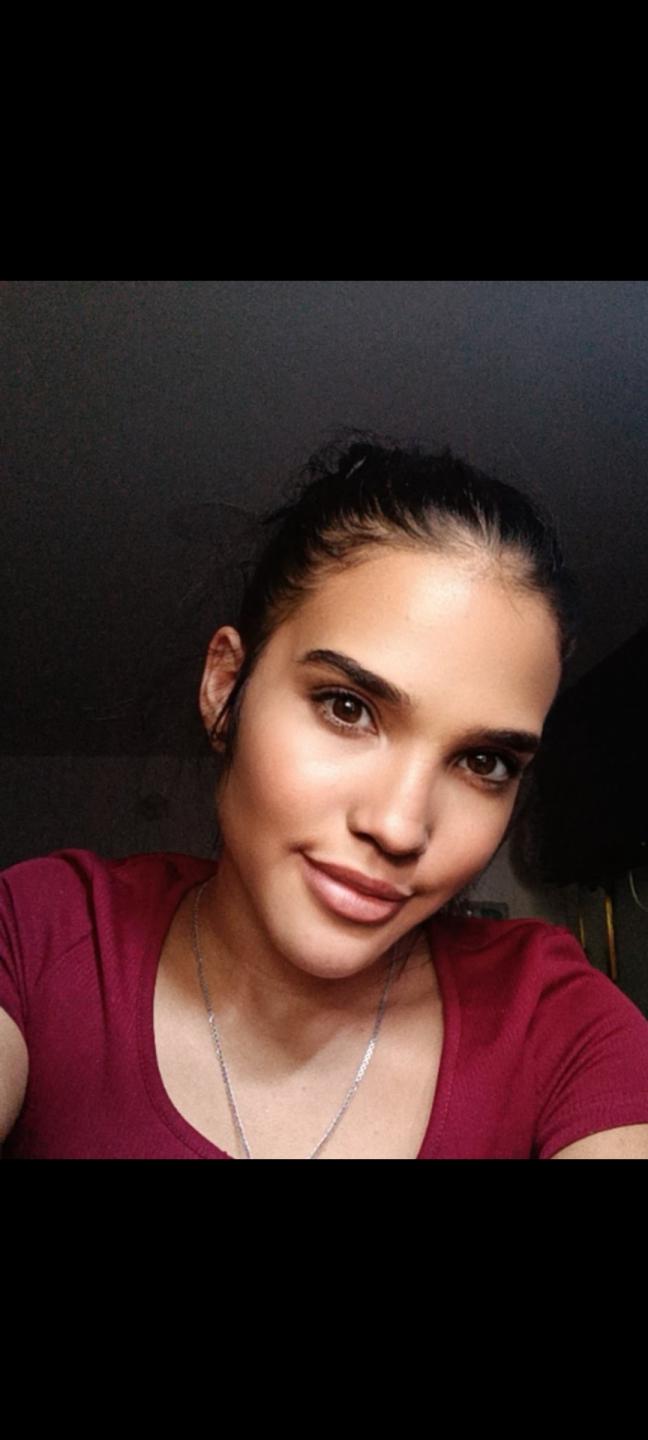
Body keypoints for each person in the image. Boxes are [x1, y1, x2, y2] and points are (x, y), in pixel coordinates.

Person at [2, 436, 648, 1160]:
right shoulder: (41, 936)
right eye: (347, 708)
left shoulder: (557, 1020)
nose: (398, 826)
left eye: (483, 761)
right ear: (225, 688)